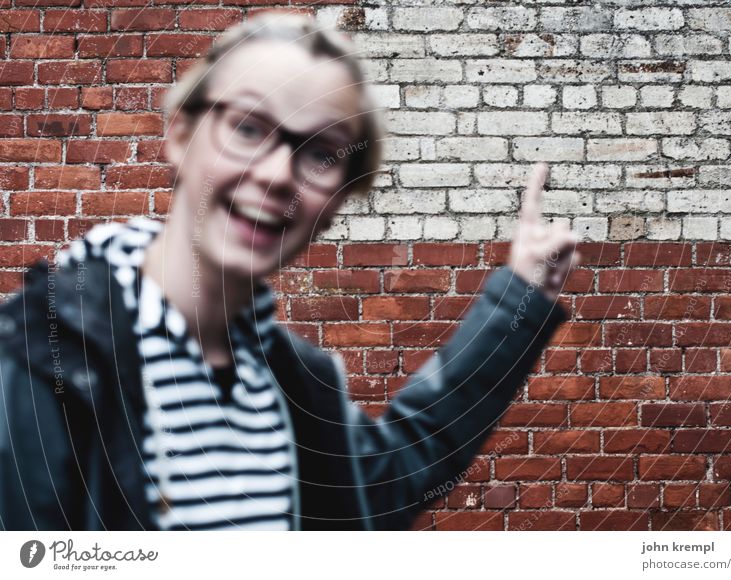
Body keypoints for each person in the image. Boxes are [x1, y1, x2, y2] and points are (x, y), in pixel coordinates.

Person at [0, 12, 580, 531]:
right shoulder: (32, 365)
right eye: (248, 127)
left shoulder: (297, 385)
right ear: (180, 132)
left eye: (321, 153)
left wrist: (520, 297)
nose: (278, 173)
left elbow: (389, 483)